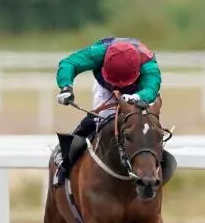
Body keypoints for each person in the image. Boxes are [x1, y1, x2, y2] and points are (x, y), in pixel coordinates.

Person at [51, 36, 161, 188]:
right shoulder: (99, 53)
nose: (118, 86)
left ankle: (154, 167)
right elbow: (69, 63)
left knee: (146, 126)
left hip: (138, 91)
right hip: (105, 87)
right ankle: (66, 156)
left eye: (121, 82)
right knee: (102, 119)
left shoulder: (148, 63)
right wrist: (66, 87)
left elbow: (151, 88)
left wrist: (138, 97)